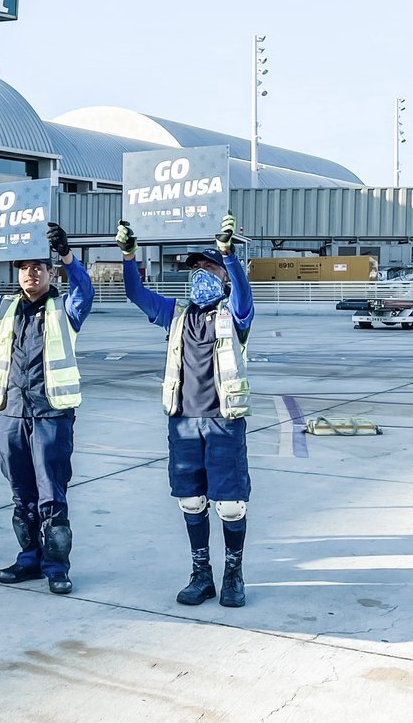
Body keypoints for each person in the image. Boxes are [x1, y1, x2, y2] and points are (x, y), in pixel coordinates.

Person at [0, 223, 94, 594]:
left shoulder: (66, 310)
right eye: (25, 267)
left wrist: (67, 255)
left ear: (49, 272)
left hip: (51, 415)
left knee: (52, 493)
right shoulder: (3, 309)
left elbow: (85, 291)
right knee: (21, 494)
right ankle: (29, 558)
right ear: (18, 273)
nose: (31, 272)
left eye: (39, 267)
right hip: (11, 412)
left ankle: (57, 566)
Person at [115, 212, 252, 608]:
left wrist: (228, 256)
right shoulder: (176, 314)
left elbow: (243, 292)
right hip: (183, 421)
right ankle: (201, 574)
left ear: (222, 274)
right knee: (191, 500)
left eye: (207, 266)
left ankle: (233, 574)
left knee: (229, 504)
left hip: (223, 421)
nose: (199, 274)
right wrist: (128, 255)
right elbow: (136, 294)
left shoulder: (235, 313)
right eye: (195, 268)